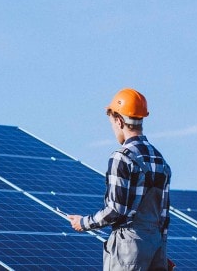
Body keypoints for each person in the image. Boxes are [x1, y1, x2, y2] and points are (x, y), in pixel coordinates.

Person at [67, 88, 172, 271]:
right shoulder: (160, 160)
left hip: (128, 247)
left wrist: (83, 223)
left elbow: (115, 210)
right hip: (155, 245)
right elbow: (163, 216)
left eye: (113, 124)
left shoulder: (122, 157)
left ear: (119, 120)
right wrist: (160, 255)